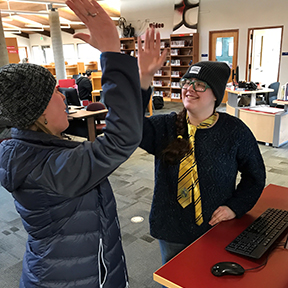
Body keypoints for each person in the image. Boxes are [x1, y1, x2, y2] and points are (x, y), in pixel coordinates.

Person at [0, 0, 164, 287]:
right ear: (36, 111)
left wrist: (143, 78)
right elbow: (120, 139)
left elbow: (129, 129)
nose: (63, 96)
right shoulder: (48, 167)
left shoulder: (32, 152)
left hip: (81, 268)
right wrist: (111, 52)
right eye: (53, 92)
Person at [139, 61, 266, 268]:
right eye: (187, 82)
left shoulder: (234, 131)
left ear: (216, 94)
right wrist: (143, 81)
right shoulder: (165, 127)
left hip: (215, 227)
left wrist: (235, 207)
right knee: (174, 279)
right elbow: (128, 125)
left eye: (199, 84)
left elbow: (255, 176)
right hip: (172, 229)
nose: (189, 88)